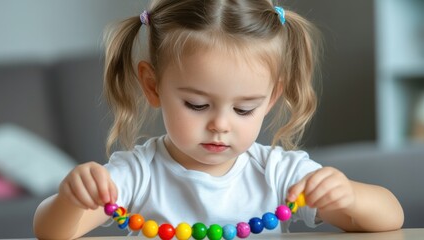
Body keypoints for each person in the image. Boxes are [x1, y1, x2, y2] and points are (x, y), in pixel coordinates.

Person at [34, 0, 404, 239]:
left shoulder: (277, 173)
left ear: (271, 98)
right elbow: (51, 232)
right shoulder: (137, 174)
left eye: (244, 109)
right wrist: (71, 198)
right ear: (153, 86)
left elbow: (391, 218)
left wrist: (350, 196)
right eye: (197, 104)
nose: (221, 125)